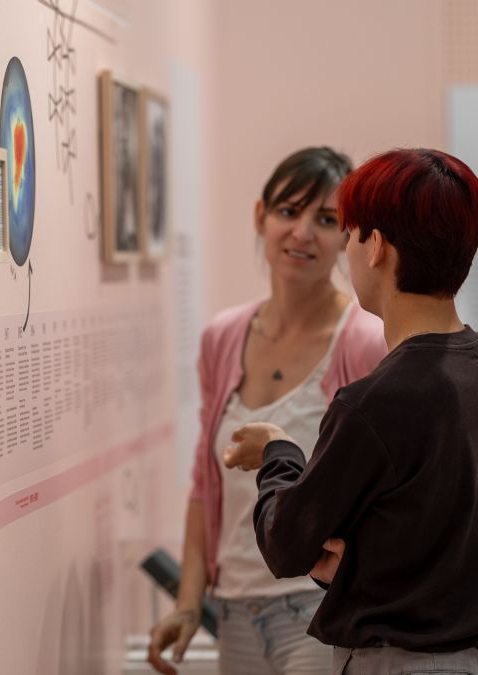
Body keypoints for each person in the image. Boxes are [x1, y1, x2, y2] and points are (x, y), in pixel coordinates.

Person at [223, 148, 478, 675]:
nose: (346, 248)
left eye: (350, 232)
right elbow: (425, 540)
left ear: (377, 246)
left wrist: (277, 451)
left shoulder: (375, 400)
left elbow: (287, 545)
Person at [148, 147, 387, 675]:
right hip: (233, 608)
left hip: (319, 609)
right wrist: (189, 602)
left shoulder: (366, 342)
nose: (302, 233)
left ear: (348, 235)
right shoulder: (222, 337)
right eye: (287, 212)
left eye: (326, 220)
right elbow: (204, 484)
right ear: (261, 216)